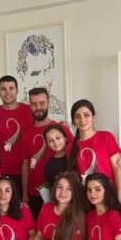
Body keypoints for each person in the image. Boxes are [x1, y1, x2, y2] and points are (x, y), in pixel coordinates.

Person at [21, 87, 73, 219]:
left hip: (62, 193)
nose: (38, 107)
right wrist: (25, 194)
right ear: (30, 106)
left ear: (48, 103)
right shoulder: (26, 135)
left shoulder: (61, 129)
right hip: (35, 193)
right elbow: (25, 165)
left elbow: (75, 154)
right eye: (34, 104)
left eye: (42, 103)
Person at [69, 100, 121, 201]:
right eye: (77, 117)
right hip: (88, 199)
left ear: (94, 118)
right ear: (73, 121)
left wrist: (119, 198)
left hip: (110, 196)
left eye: (86, 115)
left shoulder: (106, 137)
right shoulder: (71, 146)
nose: (82, 120)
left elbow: (117, 169)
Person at [0, 75, 34, 196]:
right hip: (4, 172)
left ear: (17, 90)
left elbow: (44, 126)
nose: (7, 92)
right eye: (3, 89)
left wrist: (61, 125)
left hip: (29, 170)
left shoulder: (29, 110)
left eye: (11, 88)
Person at [43, 124, 70, 189]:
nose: (55, 142)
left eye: (58, 138)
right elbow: (51, 188)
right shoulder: (49, 165)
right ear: (47, 144)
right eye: (50, 140)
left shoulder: (75, 156)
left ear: (65, 138)